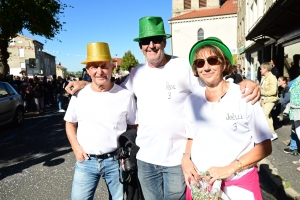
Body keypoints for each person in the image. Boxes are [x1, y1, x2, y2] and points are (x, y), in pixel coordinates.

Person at [65, 16, 261, 199]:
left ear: (164, 42)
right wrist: (84, 84)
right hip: (145, 158)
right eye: (145, 42)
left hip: (177, 159)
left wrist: (242, 81)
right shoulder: (137, 73)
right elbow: (110, 89)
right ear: (140, 47)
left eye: (156, 39)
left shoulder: (182, 66)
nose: (151, 45)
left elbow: (212, 82)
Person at [182, 37, 272, 200]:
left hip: (238, 185)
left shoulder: (245, 95)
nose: (206, 67)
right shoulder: (191, 100)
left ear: (223, 63)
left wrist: (231, 168)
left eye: (212, 60)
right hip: (202, 186)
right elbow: (191, 136)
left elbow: (265, 145)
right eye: (200, 63)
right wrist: (185, 158)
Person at [64, 42, 137, 200]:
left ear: (112, 67)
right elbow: (70, 123)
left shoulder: (126, 96)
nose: (99, 71)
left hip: (116, 161)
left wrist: (129, 154)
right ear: (88, 70)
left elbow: (133, 126)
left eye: (104, 66)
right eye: (94, 67)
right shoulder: (79, 95)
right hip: (86, 162)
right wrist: (76, 148)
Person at [260, 62, 279, 141]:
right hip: (264, 99)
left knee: (265, 115)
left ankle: (272, 134)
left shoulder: (272, 78)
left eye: (261, 68)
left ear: (266, 69)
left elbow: (273, 91)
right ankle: (270, 133)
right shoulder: (263, 77)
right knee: (268, 116)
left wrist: (261, 92)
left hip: (271, 99)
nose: (260, 70)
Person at [283, 75, 300, 156]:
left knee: (297, 130)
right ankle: (294, 148)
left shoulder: (296, 81)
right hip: (296, 109)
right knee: (296, 130)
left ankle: (294, 148)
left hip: (297, 110)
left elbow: (289, 86)